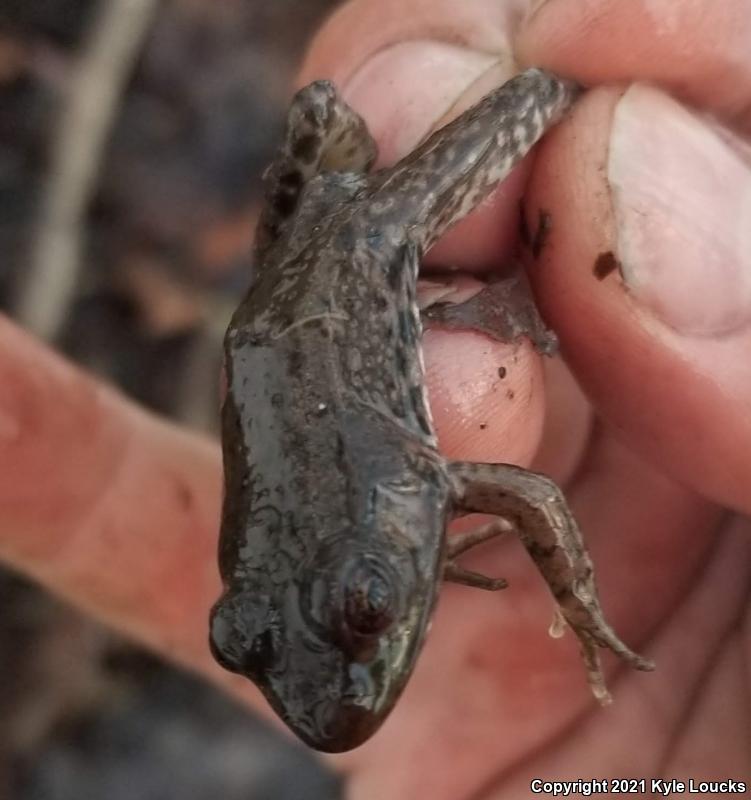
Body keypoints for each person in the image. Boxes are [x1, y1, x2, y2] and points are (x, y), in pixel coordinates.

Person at [1, 0, 749, 796]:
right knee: (382, 110)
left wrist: (578, 602)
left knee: (550, 84)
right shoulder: (404, 499)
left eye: (369, 602)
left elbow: (531, 495)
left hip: (369, 243)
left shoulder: (413, 485)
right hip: (284, 297)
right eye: (238, 640)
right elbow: (510, 498)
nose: (334, 690)